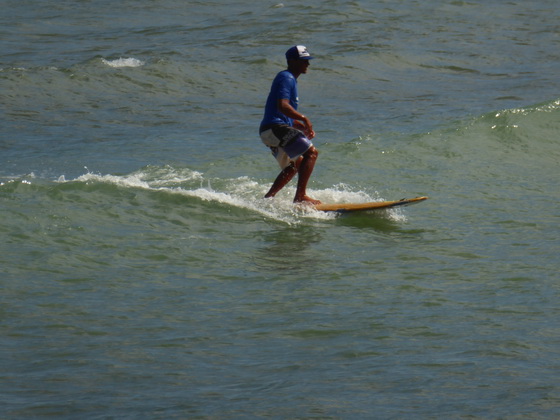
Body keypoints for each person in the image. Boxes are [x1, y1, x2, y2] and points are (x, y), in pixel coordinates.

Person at [259, 45, 321, 205]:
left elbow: (283, 113)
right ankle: (300, 196)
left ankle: (267, 199)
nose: (307, 64)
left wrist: (298, 125)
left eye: (308, 61)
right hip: (274, 128)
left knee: (294, 165)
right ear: (292, 61)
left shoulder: (288, 79)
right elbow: (283, 106)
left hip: (270, 130)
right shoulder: (287, 77)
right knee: (311, 153)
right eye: (304, 61)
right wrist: (305, 118)